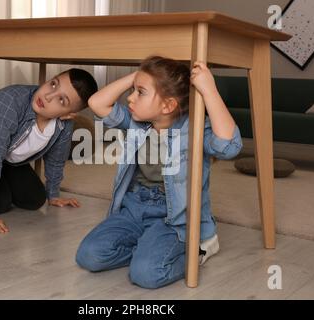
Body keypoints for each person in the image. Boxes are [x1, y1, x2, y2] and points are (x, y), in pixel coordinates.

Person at [76, 56, 242, 289]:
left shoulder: (192, 128)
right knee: (89, 256)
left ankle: (200, 248)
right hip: (135, 206)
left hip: (174, 216)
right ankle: (147, 246)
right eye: (133, 90)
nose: (130, 97)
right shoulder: (137, 122)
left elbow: (229, 146)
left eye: (140, 92)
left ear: (168, 105)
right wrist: (138, 77)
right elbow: (97, 103)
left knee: (146, 274)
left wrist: (209, 90)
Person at [0, 68, 98, 234]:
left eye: (62, 101)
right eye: (53, 84)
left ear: (69, 115)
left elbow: (56, 160)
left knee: (35, 199)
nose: (48, 96)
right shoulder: (10, 101)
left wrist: (54, 194)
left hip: (5, 159)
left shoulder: (64, 125)